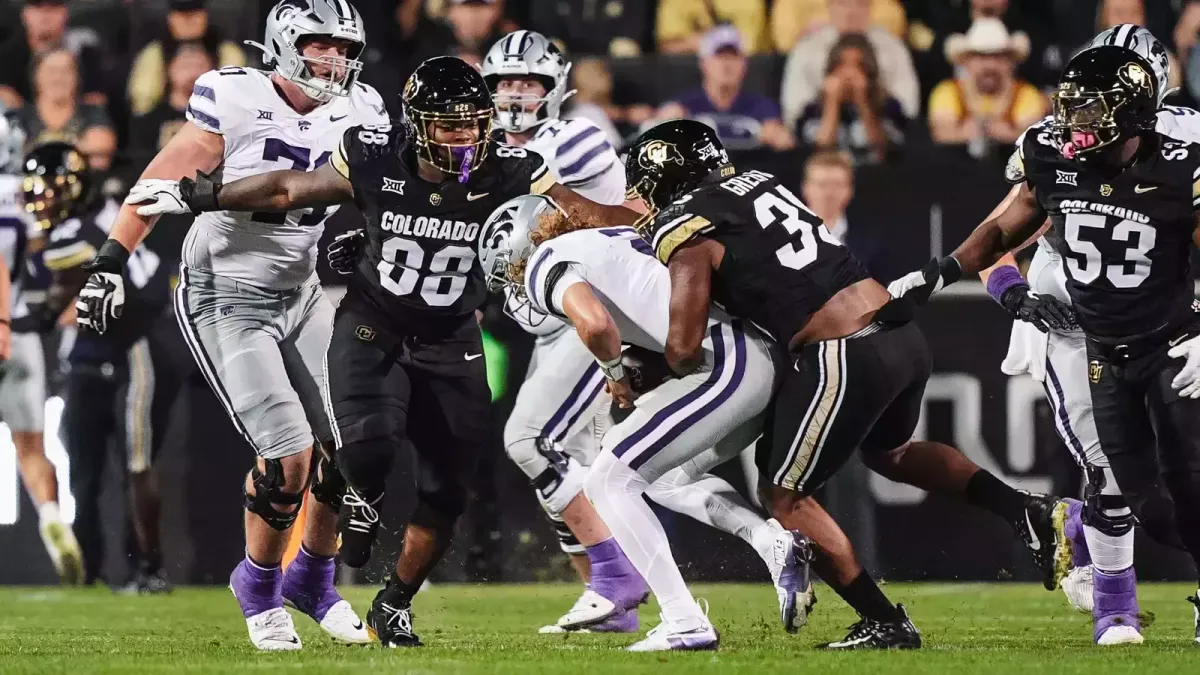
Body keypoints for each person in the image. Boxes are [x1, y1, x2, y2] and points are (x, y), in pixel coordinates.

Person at [115, 56, 639, 647]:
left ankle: (369, 596)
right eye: (447, 123)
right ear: (416, 124)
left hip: (452, 338)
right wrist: (202, 192)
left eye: (473, 123)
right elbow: (289, 188)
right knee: (350, 448)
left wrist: (661, 219)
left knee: (447, 491)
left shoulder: (513, 167)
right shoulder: (375, 152)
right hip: (372, 324)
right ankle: (273, 579)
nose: (464, 136)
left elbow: (587, 214)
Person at [627, 119, 1068, 649]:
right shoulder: (758, 183)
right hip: (896, 332)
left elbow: (683, 347)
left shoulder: (688, 224)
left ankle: (884, 620)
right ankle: (1026, 509)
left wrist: (639, 366)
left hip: (842, 350)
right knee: (893, 454)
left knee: (781, 494)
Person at [73, 0, 383, 651]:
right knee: (289, 454)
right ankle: (260, 585)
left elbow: (384, 193)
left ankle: (314, 581)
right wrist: (109, 261)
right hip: (224, 293)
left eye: (345, 49)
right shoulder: (233, 95)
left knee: (350, 445)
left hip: (301, 292)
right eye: (322, 44)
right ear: (285, 43)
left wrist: (374, 246)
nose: (336, 60)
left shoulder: (362, 110)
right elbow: (166, 174)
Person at [887, 43, 1200, 643]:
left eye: (1092, 107)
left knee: (1186, 471)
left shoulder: (1180, 157)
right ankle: (1115, 604)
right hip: (1076, 313)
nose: (1074, 119)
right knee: (1110, 469)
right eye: (1072, 105)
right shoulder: (1055, 150)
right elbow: (1004, 228)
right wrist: (997, 289)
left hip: (1168, 320)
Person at [481, 194, 812, 651]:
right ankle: (771, 543)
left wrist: (614, 374)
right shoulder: (608, 237)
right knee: (663, 480)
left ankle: (683, 620)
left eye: (509, 271)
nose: (513, 284)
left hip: (725, 362)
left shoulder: (547, 260)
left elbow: (595, 326)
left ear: (518, 248)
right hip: (758, 357)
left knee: (608, 479)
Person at [20, 142, 172, 590]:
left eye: (49, 189)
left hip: (138, 345)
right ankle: (100, 570)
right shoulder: (93, 218)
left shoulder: (77, 233)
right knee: (92, 468)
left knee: (137, 462)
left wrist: (18, 319)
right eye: (36, 191)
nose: (41, 199)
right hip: (102, 351)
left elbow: (52, 311)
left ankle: (150, 569)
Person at [0, 118, 82, 584]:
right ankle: (50, 513)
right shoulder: (26, 194)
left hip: (4, 320)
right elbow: (46, 251)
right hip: (21, 330)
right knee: (30, 447)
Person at [780, 0, 918, 134]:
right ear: (829, 6)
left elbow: (909, 109)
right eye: (842, 3)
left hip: (882, 135)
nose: (851, 12)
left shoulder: (893, 48)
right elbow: (794, 112)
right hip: (819, 135)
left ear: (871, 7)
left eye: (860, 4)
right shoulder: (807, 48)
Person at [657, 26, 795, 152]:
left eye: (733, 57)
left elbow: (785, 141)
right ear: (704, 63)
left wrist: (777, 137)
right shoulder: (683, 105)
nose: (726, 65)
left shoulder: (763, 108)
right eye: (720, 57)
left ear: (744, 64)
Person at [929, 18, 1047, 158]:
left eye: (998, 57)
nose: (990, 65)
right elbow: (942, 134)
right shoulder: (947, 91)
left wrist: (974, 131)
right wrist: (1000, 132)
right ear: (966, 61)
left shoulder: (1026, 94)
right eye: (981, 57)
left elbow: (1033, 141)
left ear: (1011, 62)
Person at [795, 33, 904, 164]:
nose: (849, 74)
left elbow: (883, 152)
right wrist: (832, 103)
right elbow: (818, 152)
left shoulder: (889, 107)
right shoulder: (812, 110)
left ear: (869, 72)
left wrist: (863, 103)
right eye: (841, 65)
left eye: (857, 66)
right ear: (830, 70)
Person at [127, 0, 246, 119]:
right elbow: (142, 103)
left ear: (206, 15)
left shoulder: (226, 50)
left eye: (195, 13)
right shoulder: (156, 52)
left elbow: (236, 101)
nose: (188, 20)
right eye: (181, 14)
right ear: (170, 17)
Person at [12, 48, 116, 170]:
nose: (59, 78)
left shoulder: (92, 112)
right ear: (36, 76)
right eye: (52, 71)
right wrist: (77, 147)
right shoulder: (20, 116)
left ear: (77, 78)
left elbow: (102, 144)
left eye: (66, 71)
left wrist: (36, 150)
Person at [0, 0, 107, 110]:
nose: (45, 17)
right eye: (37, 8)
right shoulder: (7, 53)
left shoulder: (83, 49)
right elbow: (4, 95)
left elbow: (95, 100)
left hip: (73, 123)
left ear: (66, 13)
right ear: (25, 14)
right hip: (21, 122)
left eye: (53, 8)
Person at [129, 43, 216, 169]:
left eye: (200, 66)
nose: (193, 73)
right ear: (170, 70)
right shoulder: (149, 121)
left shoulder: (221, 119)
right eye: (185, 66)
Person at [655, 0, 769, 55]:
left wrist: (703, 42)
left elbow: (745, 48)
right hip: (692, 76)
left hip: (747, 76)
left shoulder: (748, 3)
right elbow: (667, 46)